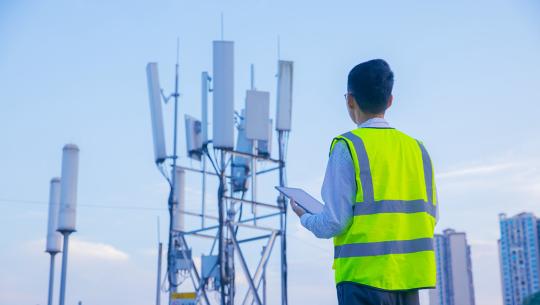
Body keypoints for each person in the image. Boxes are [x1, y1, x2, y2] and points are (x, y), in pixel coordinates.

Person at [290, 59, 438, 305]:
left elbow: (334, 222)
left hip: (362, 282)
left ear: (350, 100)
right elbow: (431, 215)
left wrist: (304, 216)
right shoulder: (418, 150)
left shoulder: (347, 146)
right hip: (409, 281)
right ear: (390, 100)